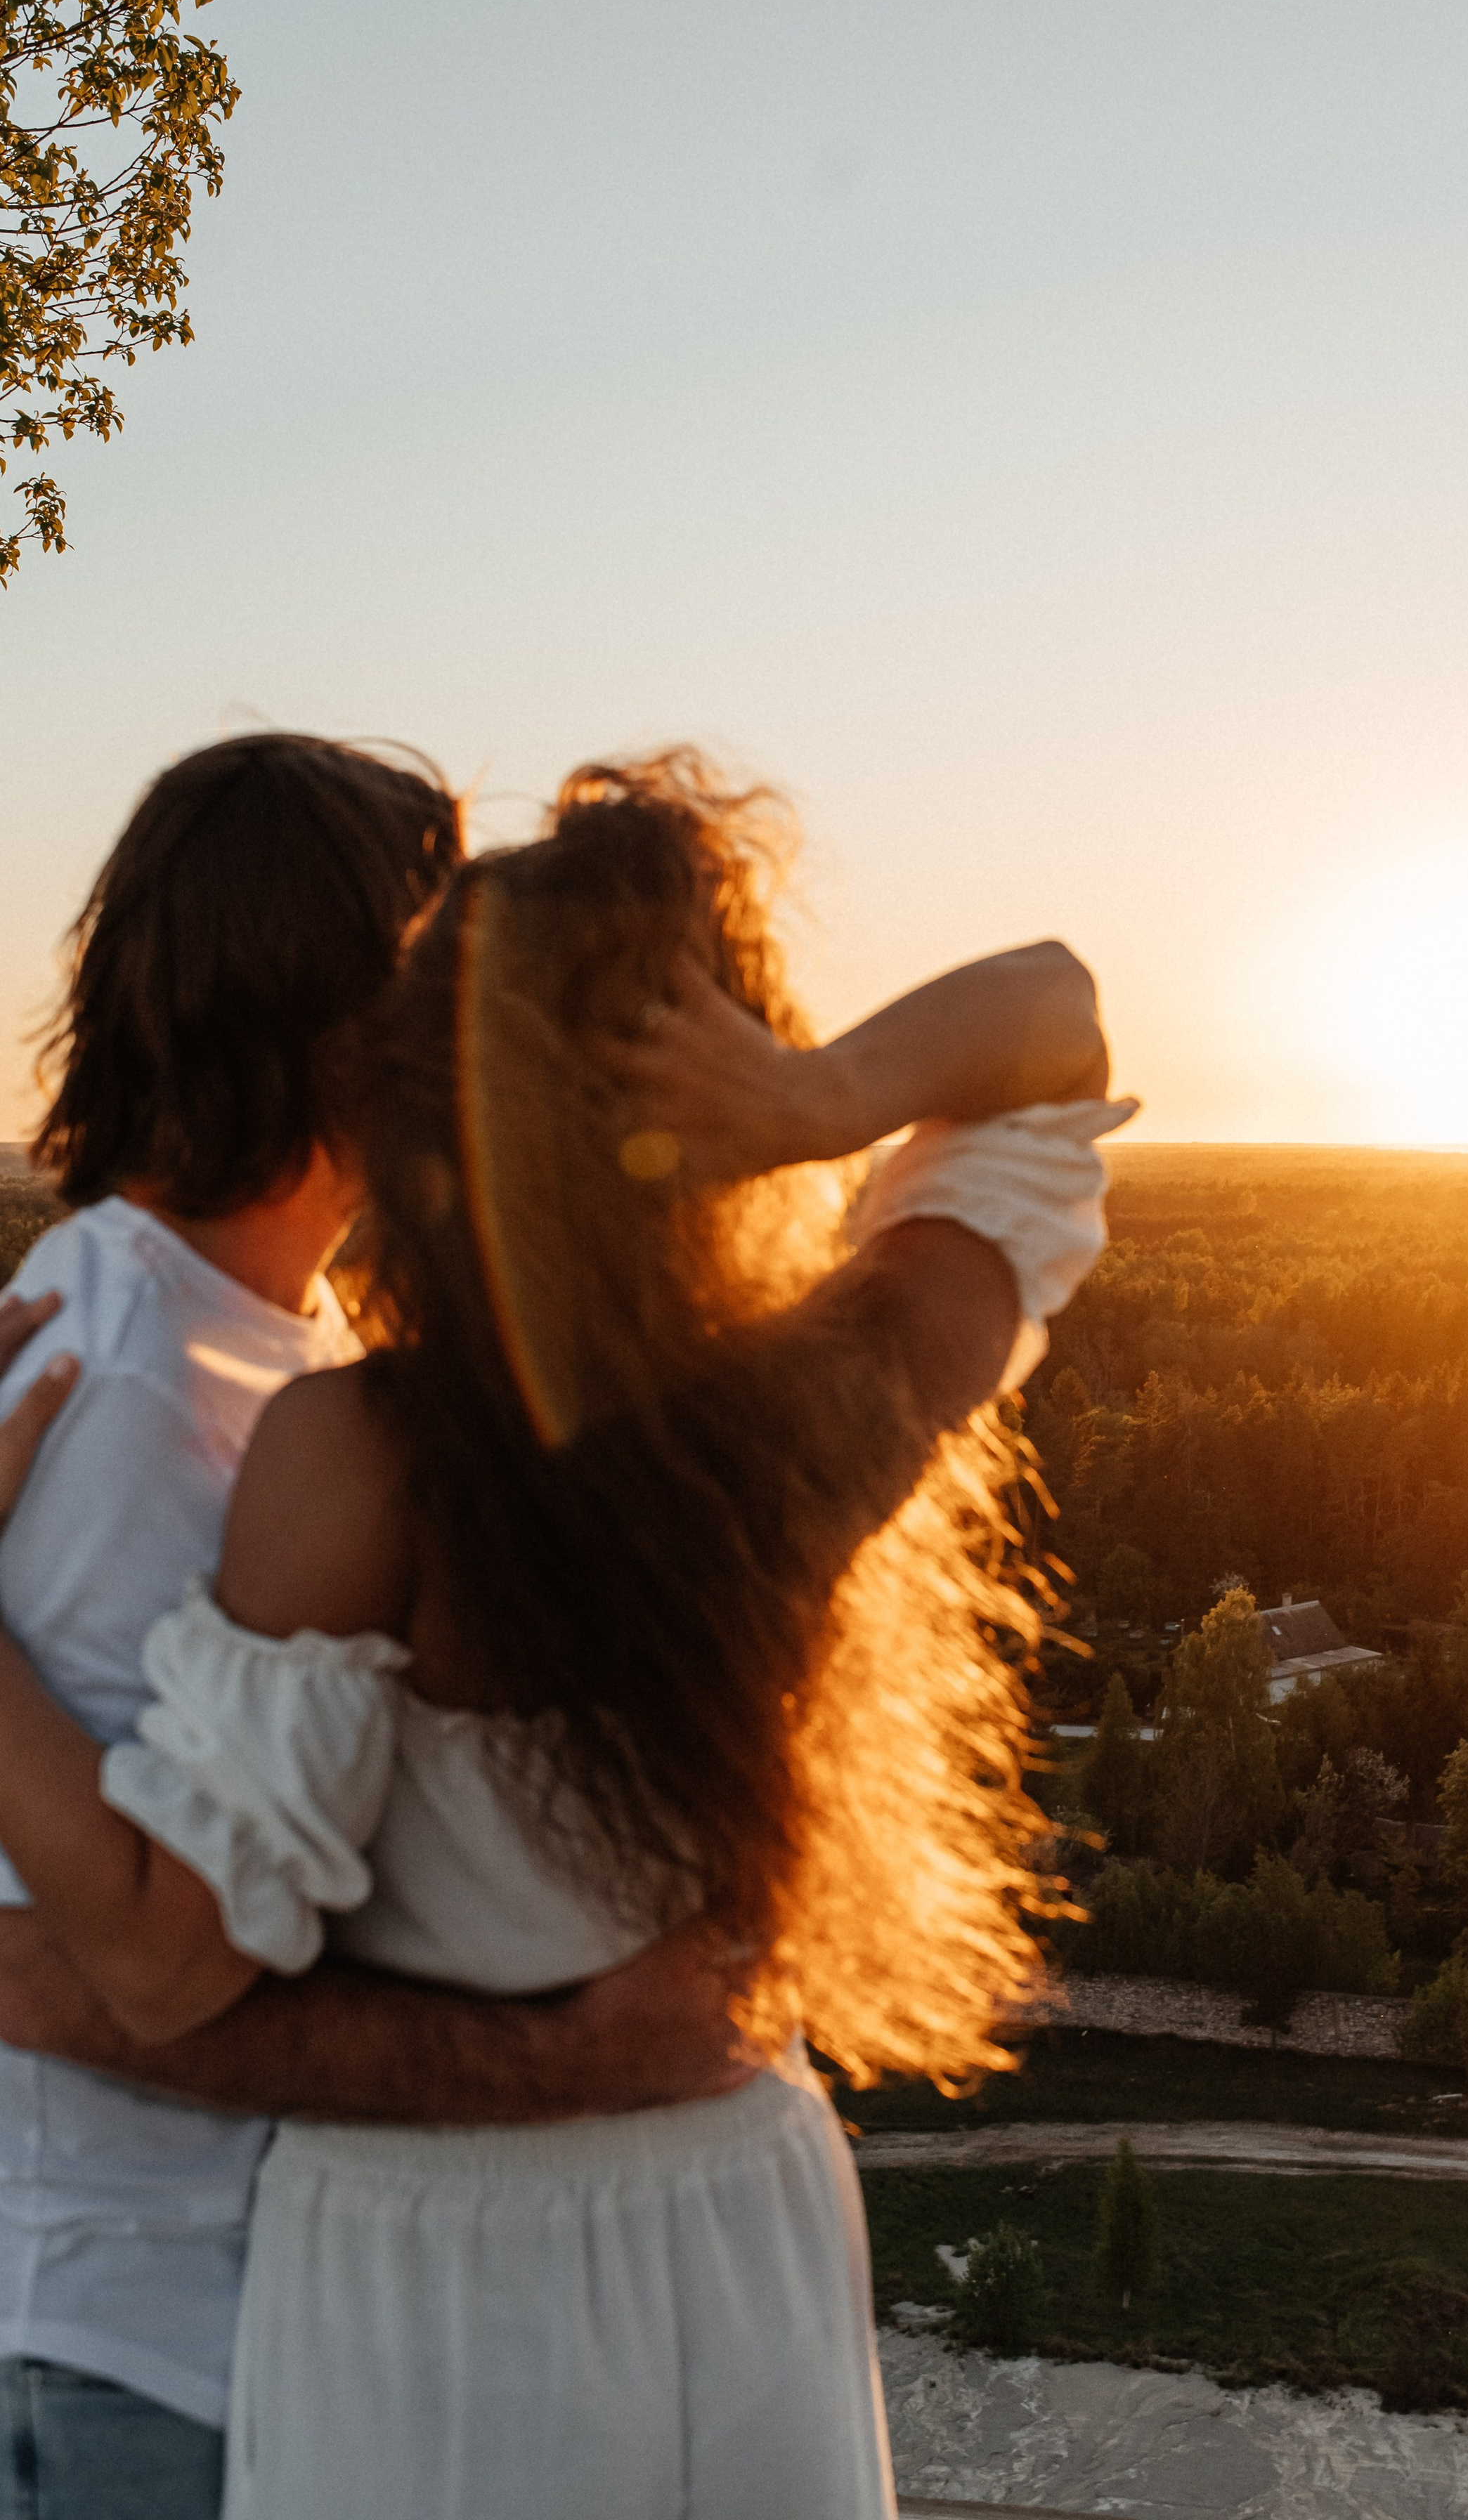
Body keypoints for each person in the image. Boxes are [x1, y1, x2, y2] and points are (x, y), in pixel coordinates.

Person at [0, 750, 1132, 2518]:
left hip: (415, 2285)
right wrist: (816, 1098)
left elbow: (158, 1953)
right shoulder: (819, 1409)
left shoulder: (348, 1455)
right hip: (739, 2224)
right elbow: (1055, 1022)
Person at [0, 738, 751, 2520]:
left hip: (251, 2324)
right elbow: (148, 1954)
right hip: (129, 2355)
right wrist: (577, 2056)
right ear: (349, 1005)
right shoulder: (122, 1374)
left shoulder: (267, 1342)